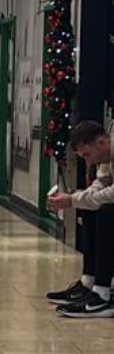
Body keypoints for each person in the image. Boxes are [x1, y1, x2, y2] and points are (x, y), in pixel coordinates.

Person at [46, 120, 114, 318]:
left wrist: (74, 199)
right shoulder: (107, 151)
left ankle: (102, 294)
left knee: (106, 213)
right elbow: (102, 182)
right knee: (90, 208)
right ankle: (89, 281)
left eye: (87, 155)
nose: (88, 162)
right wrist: (79, 198)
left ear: (102, 142)